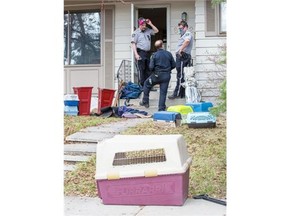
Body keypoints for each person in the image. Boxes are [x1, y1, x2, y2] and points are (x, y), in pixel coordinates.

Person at [139, 40, 176, 111]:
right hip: (166, 76)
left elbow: (151, 67)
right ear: (162, 45)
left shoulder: (154, 55)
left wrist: (154, 72)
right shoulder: (168, 54)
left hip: (157, 75)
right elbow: (174, 65)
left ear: (156, 47)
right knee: (163, 92)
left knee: (146, 84)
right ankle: (161, 108)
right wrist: (167, 70)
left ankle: (145, 101)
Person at [168, 20, 193, 99]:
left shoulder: (187, 33)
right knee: (181, 75)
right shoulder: (183, 35)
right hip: (180, 56)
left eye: (181, 28)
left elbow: (187, 41)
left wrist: (180, 50)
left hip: (183, 56)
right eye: (179, 29)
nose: (180, 30)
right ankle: (181, 93)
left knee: (180, 75)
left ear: (185, 27)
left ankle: (177, 93)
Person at [131, 17, 159, 87]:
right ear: (139, 25)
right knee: (141, 70)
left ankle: (148, 85)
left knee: (148, 69)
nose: (144, 26)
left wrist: (150, 24)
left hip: (147, 53)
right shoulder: (136, 33)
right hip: (140, 53)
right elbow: (133, 44)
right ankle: (142, 86)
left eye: (145, 25)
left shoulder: (148, 30)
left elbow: (156, 31)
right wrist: (136, 54)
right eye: (142, 25)